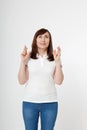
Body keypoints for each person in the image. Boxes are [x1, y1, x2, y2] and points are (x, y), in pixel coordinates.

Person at [18, 28, 64, 130]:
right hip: (29, 103)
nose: (43, 39)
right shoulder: (28, 57)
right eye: (40, 36)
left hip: (50, 103)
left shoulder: (55, 57)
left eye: (46, 37)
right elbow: (21, 81)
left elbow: (59, 81)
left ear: (50, 40)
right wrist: (23, 62)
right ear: (35, 39)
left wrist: (57, 62)